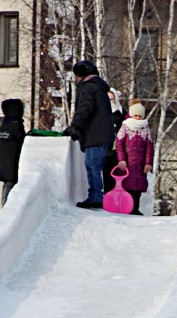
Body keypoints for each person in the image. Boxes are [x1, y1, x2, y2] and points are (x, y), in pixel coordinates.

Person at [63, 60, 115, 209]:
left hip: (95, 134)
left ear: (82, 75)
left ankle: (96, 197)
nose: (77, 80)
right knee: (96, 166)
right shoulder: (99, 88)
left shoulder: (88, 88)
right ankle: (97, 196)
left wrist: (75, 126)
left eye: (77, 76)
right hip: (103, 134)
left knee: (92, 165)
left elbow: (85, 108)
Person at [115, 101, 154, 215]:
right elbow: (119, 144)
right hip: (128, 163)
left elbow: (149, 147)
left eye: (140, 115)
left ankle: (135, 208)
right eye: (135, 115)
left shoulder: (145, 128)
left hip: (141, 163)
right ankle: (127, 207)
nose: (138, 118)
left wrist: (148, 163)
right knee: (127, 185)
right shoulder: (125, 126)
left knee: (138, 186)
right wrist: (121, 160)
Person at [0, 98, 26, 207]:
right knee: (10, 183)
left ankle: (4, 203)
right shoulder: (16, 126)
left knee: (6, 183)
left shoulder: (4, 125)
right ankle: (7, 206)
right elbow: (22, 141)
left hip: (4, 163)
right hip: (13, 162)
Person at [103, 88, 126, 194]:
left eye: (112, 99)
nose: (110, 102)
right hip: (103, 147)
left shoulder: (122, 113)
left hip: (117, 148)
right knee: (105, 173)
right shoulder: (100, 113)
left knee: (115, 173)